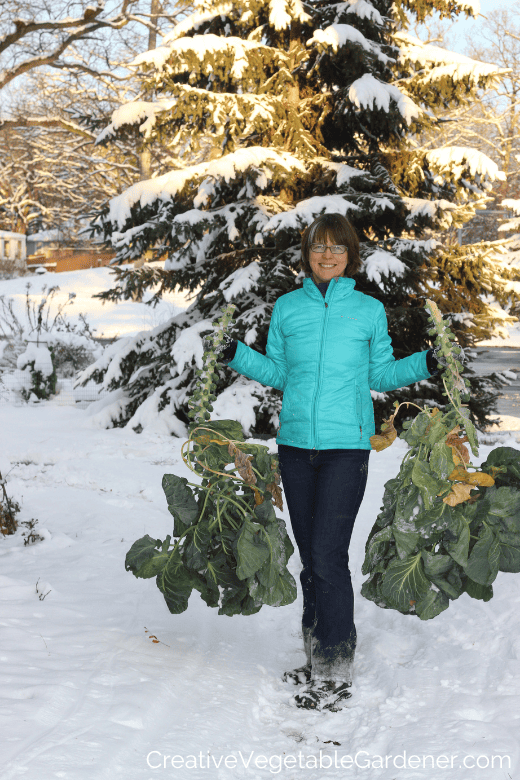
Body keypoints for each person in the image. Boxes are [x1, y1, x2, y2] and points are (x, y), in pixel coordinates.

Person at [211, 213, 440, 712]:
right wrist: (234, 353)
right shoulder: (289, 308)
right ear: (307, 253)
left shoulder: (367, 310)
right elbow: (277, 371)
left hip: (346, 445)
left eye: (337, 247)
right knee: (310, 555)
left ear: (350, 255)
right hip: (294, 445)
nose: (327, 255)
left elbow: (380, 371)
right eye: (319, 246)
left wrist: (427, 361)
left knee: (328, 553)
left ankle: (336, 666)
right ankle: (317, 653)